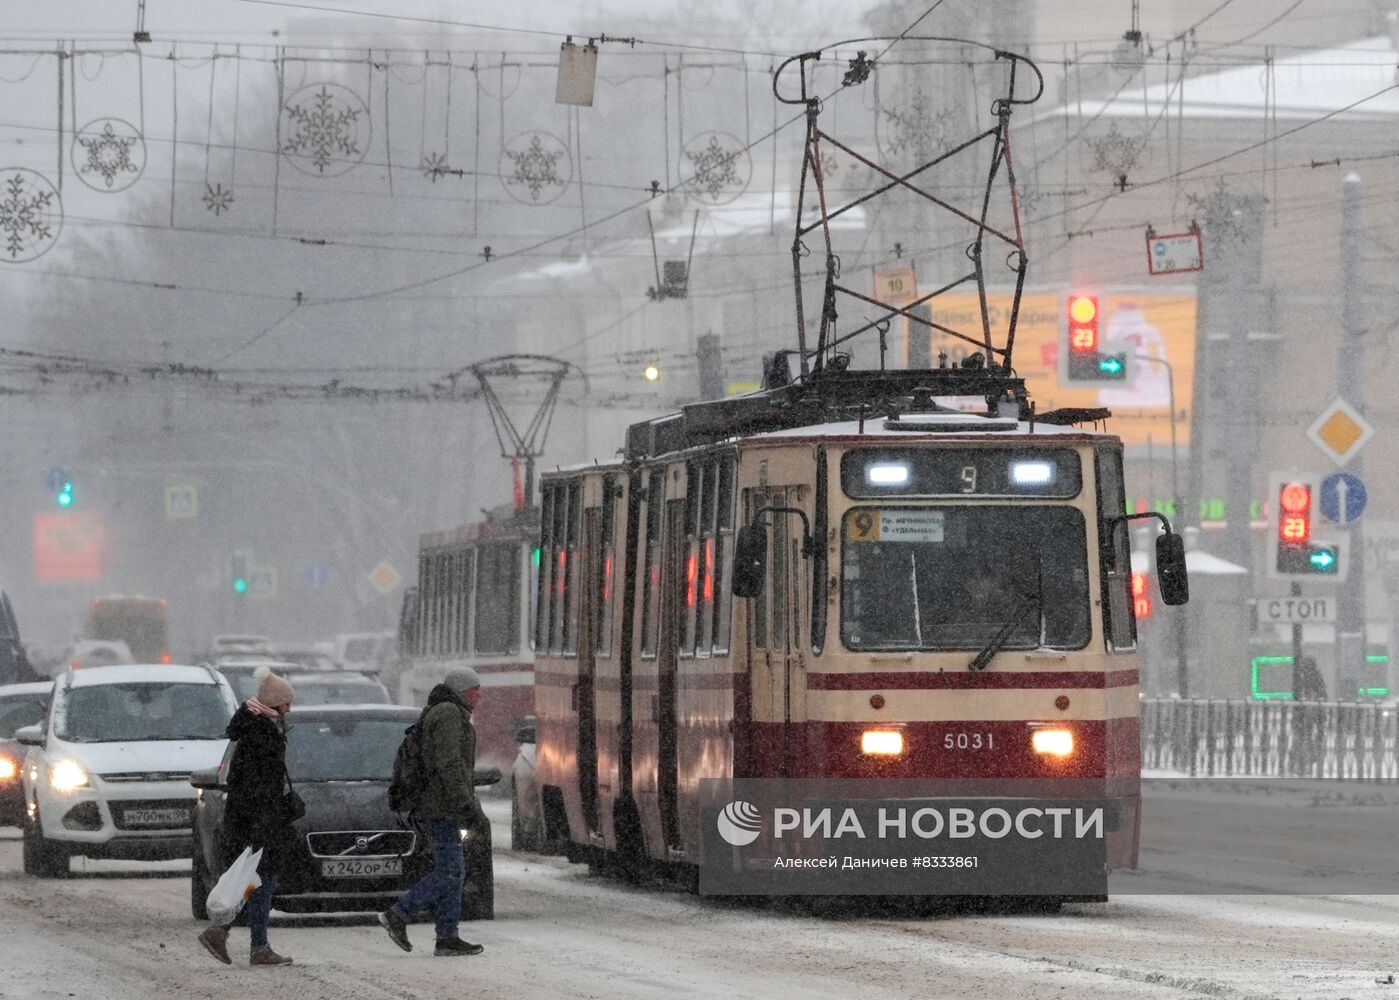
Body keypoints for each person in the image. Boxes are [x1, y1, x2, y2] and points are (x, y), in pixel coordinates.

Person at [378, 667, 485, 958]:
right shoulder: (449, 714)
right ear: (463, 690)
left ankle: (448, 937)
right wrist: (465, 804)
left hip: (440, 804)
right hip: (440, 807)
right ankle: (399, 913)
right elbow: (448, 764)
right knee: (450, 870)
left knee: (454, 871)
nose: (479, 694)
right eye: (475, 689)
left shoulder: (446, 711)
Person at [197, 667, 297, 967]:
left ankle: (234, 937)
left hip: (248, 818)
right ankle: (252, 945)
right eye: (287, 703)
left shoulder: (254, 727)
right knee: (260, 881)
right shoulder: (261, 733)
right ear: (275, 703)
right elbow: (259, 785)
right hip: (257, 821)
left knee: (252, 880)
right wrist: (263, 824)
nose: (290, 709)